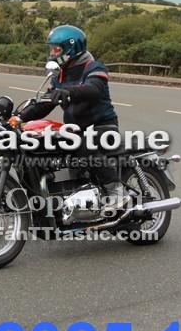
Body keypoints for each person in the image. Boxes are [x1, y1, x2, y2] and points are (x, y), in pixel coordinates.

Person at [10, 24, 129, 211]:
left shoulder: (93, 67)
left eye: (56, 49)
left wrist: (68, 92)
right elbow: (46, 103)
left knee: (81, 143)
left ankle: (115, 189)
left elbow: (94, 89)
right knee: (44, 145)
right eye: (51, 49)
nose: (52, 53)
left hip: (102, 127)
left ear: (71, 48)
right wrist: (19, 117)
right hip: (75, 130)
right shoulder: (60, 75)